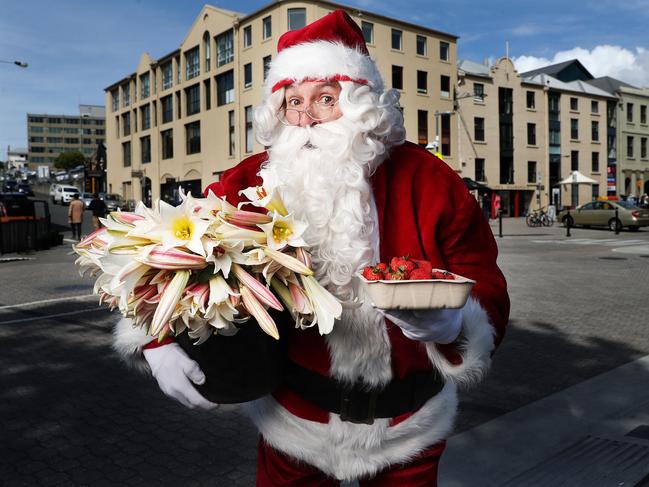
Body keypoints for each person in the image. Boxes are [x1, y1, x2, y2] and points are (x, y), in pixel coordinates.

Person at [114, 10, 509, 486]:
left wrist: (454, 323)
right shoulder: (248, 180)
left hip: (410, 425)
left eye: (325, 98)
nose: (306, 118)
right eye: (292, 101)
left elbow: (482, 275)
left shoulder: (429, 178)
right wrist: (154, 339)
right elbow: (167, 257)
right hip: (293, 422)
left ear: (362, 103)